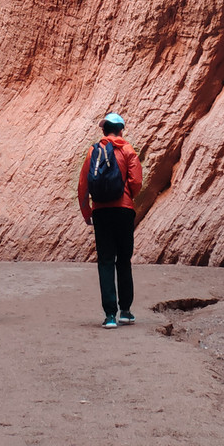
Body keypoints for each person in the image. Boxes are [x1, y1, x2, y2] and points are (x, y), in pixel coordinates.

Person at [78, 111, 143, 327]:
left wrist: (87, 212)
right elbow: (136, 182)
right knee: (123, 260)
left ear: (104, 130)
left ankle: (110, 316)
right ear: (121, 130)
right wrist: (127, 196)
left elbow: (83, 186)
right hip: (124, 210)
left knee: (106, 261)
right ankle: (125, 311)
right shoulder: (127, 149)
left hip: (101, 211)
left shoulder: (92, 152)